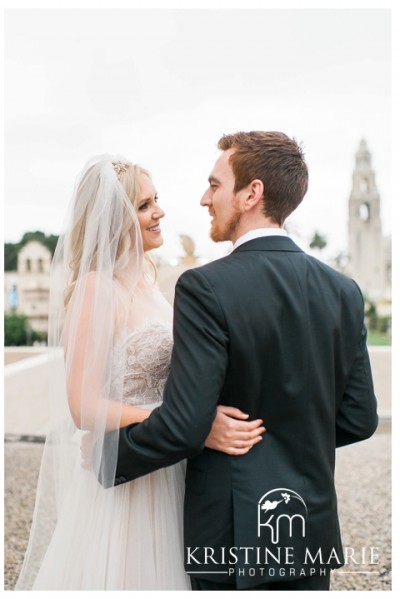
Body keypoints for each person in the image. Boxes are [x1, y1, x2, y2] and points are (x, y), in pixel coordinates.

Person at [102, 132, 379, 590]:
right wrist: (290, 435)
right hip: (308, 529)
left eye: (215, 185)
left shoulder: (205, 288)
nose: (204, 199)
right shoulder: (343, 291)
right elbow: (359, 419)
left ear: (252, 193)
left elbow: (185, 424)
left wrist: (109, 456)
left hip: (230, 535)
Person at [14, 156, 264, 590]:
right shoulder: (97, 288)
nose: (160, 212)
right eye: (145, 205)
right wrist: (186, 425)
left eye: (157, 200)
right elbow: (83, 406)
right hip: (129, 478)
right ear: (113, 221)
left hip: (169, 466)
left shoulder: (150, 286)